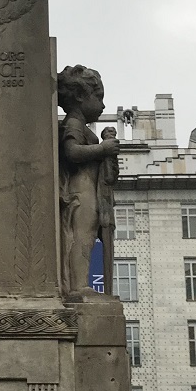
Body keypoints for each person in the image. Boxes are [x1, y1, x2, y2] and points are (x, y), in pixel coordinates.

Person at [58, 65, 120, 296]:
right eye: (99, 97)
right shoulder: (73, 124)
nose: (103, 105)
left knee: (87, 236)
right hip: (79, 191)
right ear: (80, 96)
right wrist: (102, 148)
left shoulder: (82, 126)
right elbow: (72, 151)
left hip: (89, 190)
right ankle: (77, 286)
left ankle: (79, 283)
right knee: (81, 236)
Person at [97, 126, 120, 295]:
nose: (113, 137)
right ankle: (107, 293)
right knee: (106, 247)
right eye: (110, 134)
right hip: (101, 204)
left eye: (114, 134)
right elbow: (109, 178)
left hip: (105, 204)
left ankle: (108, 293)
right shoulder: (103, 156)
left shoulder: (110, 158)